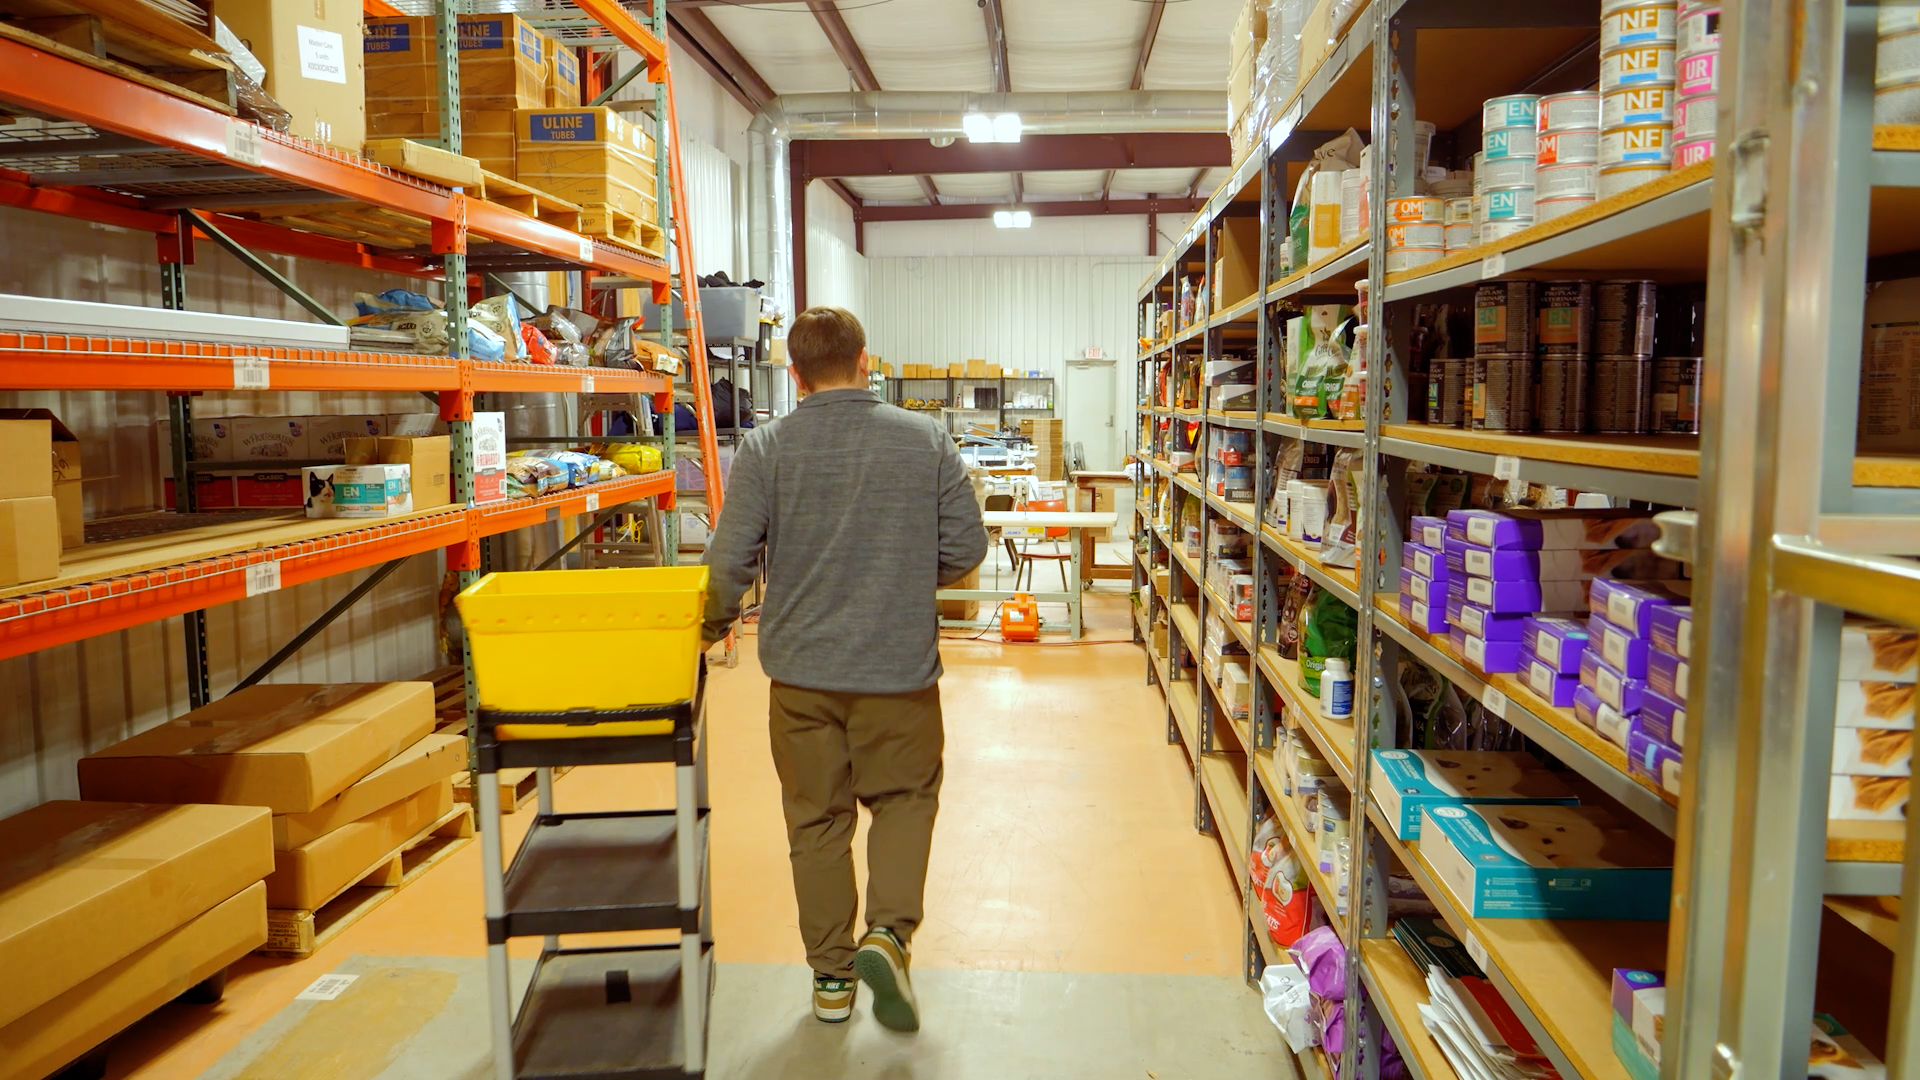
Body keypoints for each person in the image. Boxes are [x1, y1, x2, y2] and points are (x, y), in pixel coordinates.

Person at [702, 306, 987, 1032]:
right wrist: (904, 577)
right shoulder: (926, 440)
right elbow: (967, 548)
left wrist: (708, 626)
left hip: (801, 677)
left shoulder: (767, 448)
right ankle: (889, 935)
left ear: (793, 375)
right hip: (898, 672)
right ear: (868, 360)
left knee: (816, 821)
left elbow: (728, 563)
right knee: (903, 802)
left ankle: (831, 980)